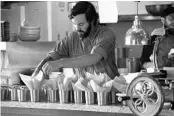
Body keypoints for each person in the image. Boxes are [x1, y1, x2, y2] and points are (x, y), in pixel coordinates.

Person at [33, 1, 120, 79]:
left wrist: (60, 63)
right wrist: (36, 74)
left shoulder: (106, 34)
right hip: (82, 92)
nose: (77, 28)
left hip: (108, 92)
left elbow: (94, 58)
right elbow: (51, 58)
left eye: (81, 24)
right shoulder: (72, 38)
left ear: (92, 21)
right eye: (75, 24)